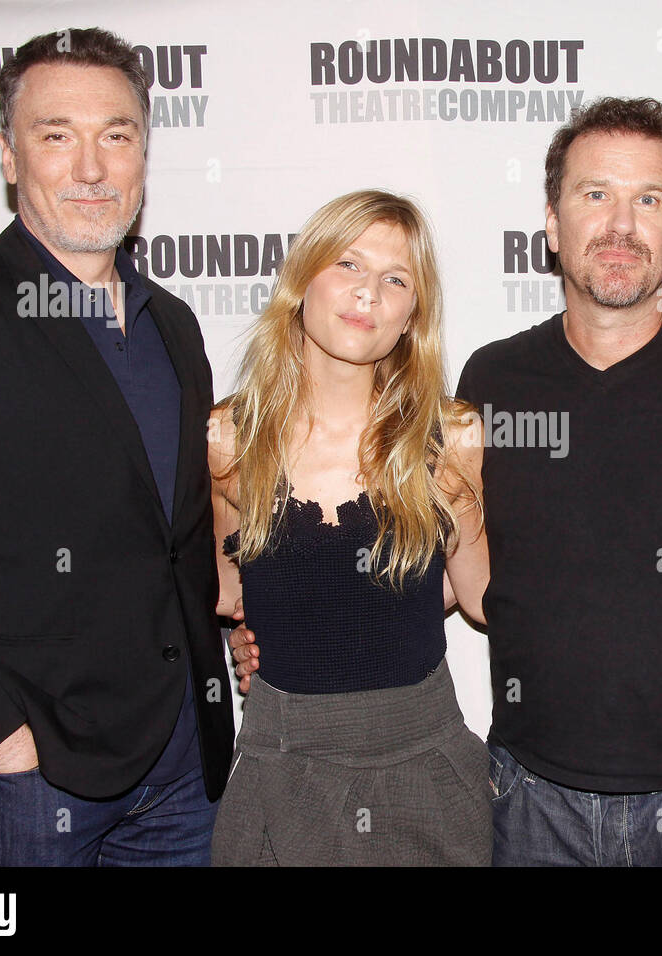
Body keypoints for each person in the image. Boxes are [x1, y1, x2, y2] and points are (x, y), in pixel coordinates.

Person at [234, 98, 662, 866]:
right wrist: (294, 625)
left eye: (649, 199)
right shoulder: (491, 385)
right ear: (551, 221)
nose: (620, 223)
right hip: (533, 796)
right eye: (594, 194)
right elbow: (450, 567)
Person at [0, 28, 233, 865]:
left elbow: (174, 542)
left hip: (185, 776)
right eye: (56, 135)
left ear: (145, 151)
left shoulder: (172, 324)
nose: (92, 168)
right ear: (7, 155)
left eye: (117, 135)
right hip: (32, 785)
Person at [208, 190, 491, 866]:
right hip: (280, 765)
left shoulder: (452, 436)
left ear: (411, 316)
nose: (369, 293)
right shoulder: (231, 439)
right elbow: (224, 591)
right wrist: (241, 639)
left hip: (424, 761)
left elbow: (481, 593)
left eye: (396, 279)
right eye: (348, 264)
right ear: (303, 279)